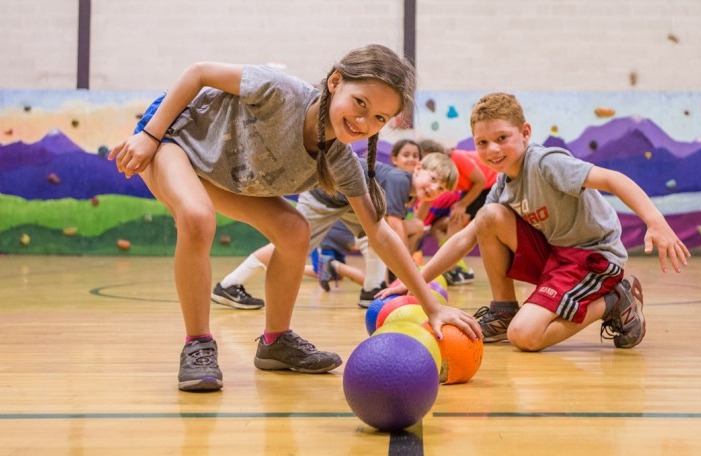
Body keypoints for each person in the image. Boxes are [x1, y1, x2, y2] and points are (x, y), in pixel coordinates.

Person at [108, 44, 480, 392]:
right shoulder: (279, 90)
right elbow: (199, 72)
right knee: (196, 216)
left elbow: (380, 234)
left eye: (379, 118)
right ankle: (198, 343)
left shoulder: (341, 162)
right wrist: (150, 135)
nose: (364, 121)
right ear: (335, 81)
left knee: (294, 230)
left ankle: (276, 341)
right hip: (171, 139)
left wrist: (431, 306)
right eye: (360, 103)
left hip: (217, 172)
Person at [382, 92, 690, 351]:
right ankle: (503, 311)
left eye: (502, 138)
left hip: (592, 258)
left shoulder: (546, 163)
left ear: (525, 133)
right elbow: (465, 238)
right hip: (556, 254)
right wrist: (413, 281)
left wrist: (656, 222)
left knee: (524, 336)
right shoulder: (502, 184)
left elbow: (613, 179)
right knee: (487, 217)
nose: (492, 149)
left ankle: (615, 299)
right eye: (482, 143)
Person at [213, 151, 458, 310]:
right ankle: (230, 284)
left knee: (372, 235)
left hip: (349, 201)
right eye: (433, 179)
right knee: (293, 246)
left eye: (440, 189)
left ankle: (372, 290)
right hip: (325, 195)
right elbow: (395, 229)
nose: (433, 188)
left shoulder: (408, 192)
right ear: (418, 168)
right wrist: (409, 275)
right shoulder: (400, 181)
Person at [409, 139, 498, 285]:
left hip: (487, 186)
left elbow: (480, 181)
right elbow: (421, 217)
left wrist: (462, 205)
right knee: (438, 227)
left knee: (455, 221)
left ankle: (452, 268)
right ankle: (456, 267)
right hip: (474, 189)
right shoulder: (436, 179)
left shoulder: (457, 157)